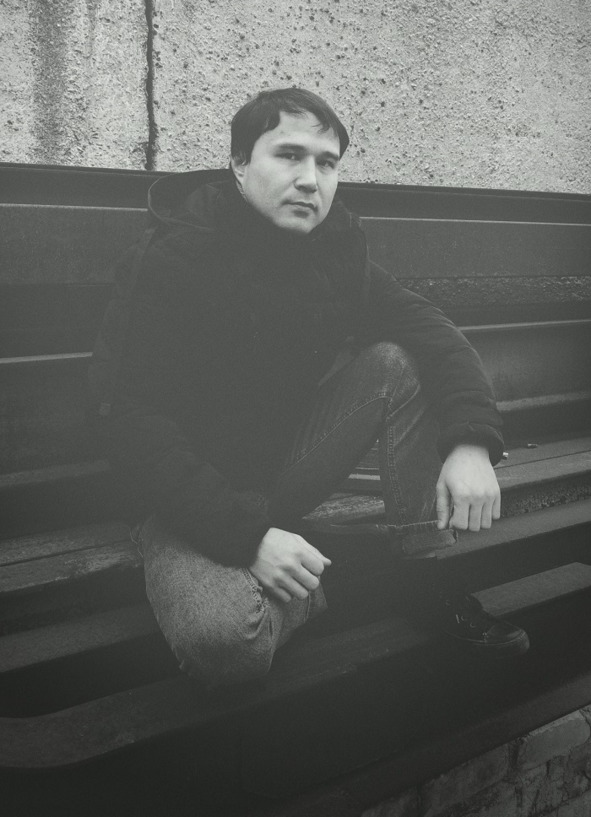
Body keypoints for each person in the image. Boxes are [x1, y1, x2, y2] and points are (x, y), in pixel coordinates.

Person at [98, 88, 529, 688]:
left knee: (399, 360)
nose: (310, 180)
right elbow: (130, 421)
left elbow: (430, 329)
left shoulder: (333, 251)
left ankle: (422, 576)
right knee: (226, 645)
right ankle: (350, 581)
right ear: (239, 163)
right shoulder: (173, 259)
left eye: (327, 163)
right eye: (289, 155)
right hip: (183, 498)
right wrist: (248, 538)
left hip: (281, 469)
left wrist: (472, 441)